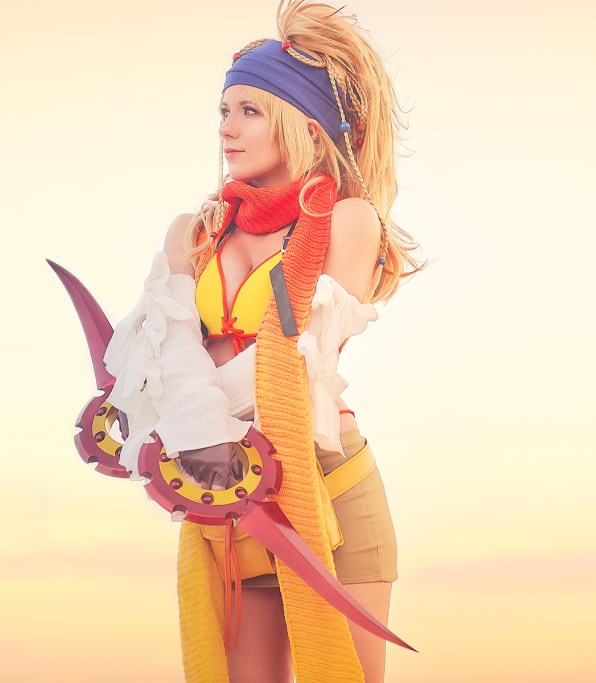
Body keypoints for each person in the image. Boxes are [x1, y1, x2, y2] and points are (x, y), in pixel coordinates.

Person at [102, 2, 426, 681]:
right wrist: (180, 425)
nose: (227, 127)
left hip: (328, 486)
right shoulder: (193, 232)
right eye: (224, 110)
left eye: (249, 110)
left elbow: (299, 360)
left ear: (304, 124)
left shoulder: (348, 221)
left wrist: (185, 422)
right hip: (231, 496)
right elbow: (163, 347)